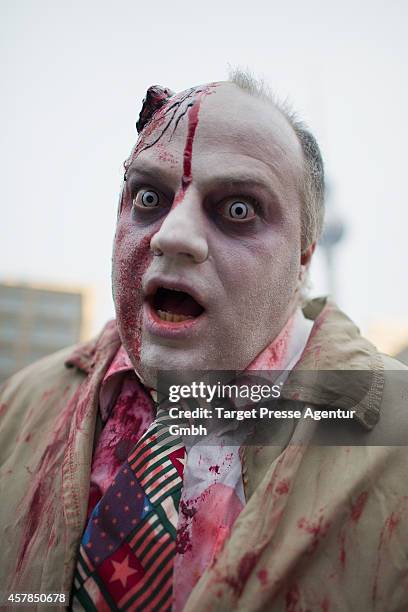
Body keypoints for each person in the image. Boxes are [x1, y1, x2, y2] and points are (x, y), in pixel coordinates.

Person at [1, 70, 407, 612]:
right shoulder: (18, 409)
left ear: (304, 254)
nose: (173, 235)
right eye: (148, 196)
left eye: (239, 209)